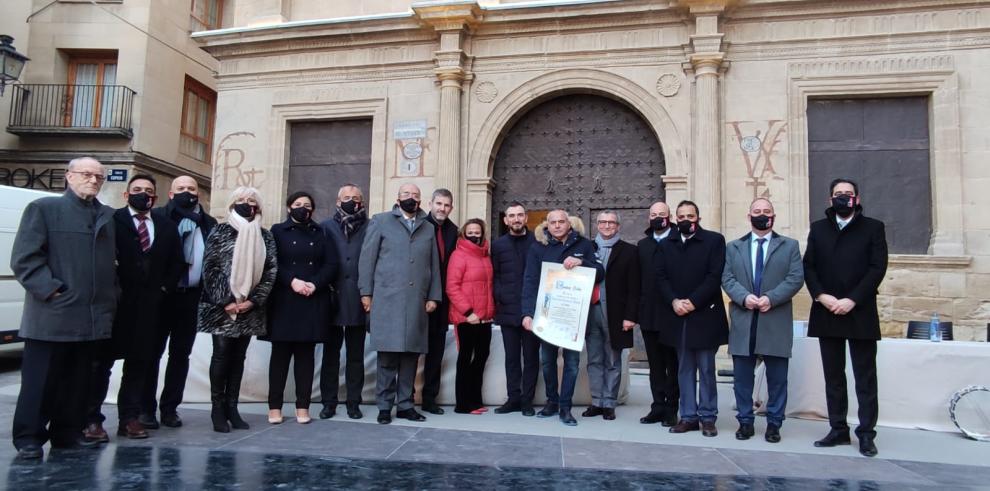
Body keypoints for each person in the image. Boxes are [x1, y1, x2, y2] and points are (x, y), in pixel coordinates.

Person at [10, 157, 117, 460]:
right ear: (69, 176)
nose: (94, 180)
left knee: (77, 384)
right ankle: (29, 438)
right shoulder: (44, 209)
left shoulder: (106, 217)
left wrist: (112, 296)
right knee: (40, 383)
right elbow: (25, 259)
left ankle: (67, 434)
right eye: (87, 174)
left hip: (91, 318)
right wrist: (53, 290)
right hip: (52, 316)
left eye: (99, 176)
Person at [85, 174, 183, 442]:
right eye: (137, 190)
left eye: (149, 191)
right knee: (101, 365)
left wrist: (164, 289)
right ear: (126, 195)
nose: (144, 194)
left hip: (149, 308)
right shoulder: (111, 220)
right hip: (114, 306)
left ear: (156, 197)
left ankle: (130, 418)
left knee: (139, 365)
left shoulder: (165, 225)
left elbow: (177, 262)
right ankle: (92, 419)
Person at [804, 178, 888, 457]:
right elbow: (810, 267)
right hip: (827, 311)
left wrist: (852, 299)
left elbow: (877, 267)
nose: (843, 197)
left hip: (859, 311)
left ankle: (866, 433)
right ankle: (838, 428)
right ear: (830, 199)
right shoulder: (818, 229)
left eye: (847, 194)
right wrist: (821, 296)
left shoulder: (873, 228)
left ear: (856, 198)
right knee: (834, 377)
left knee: (865, 377)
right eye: (838, 194)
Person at [721, 198, 804, 443]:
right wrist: (743, 297)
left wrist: (771, 298)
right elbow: (727, 277)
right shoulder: (734, 247)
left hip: (774, 318)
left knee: (777, 378)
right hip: (744, 318)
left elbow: (795, 278)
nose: (761, 215)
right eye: (757, 211)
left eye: (766, 211)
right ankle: (745, 421)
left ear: (773, 216)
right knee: (742, 377)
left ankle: (774, 423)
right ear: (749, 216)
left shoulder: (789, 246)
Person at [359, 183, 442, 425]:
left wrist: (433, 296)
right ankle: (385, 406)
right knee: (387, 358)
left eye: (416, 195)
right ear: (398, 198)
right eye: (406, 194)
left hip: (417, 302)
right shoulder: (380, 221)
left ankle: (406, 405)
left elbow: (433, 265)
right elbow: (367, 259)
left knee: (410, 357)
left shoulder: (428, 227)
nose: (411, 198)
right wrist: (366, 292)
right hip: (387, 300)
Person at [198, 187, 277, 433]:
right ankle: (217, 408)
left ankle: (233, 406)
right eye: (241, 200)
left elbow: (270, 270)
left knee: (239, 357)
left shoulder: (265, 236)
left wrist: (253, 300)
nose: (247, 204)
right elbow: (210, 267)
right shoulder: (220, 231)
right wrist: (226, 300)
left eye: (251, 200)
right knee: (221, 355)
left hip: (249, 307)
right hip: (222, 307)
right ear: (233, 204)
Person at [141, 176, 217, 429]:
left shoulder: (208, 222)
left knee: (180, 355)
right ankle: (146, 409)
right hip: (163, 297)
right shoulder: (159, 217)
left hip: (192, 296)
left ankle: (170, 408)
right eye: (181, 189)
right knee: (152, 353)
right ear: (171, 194)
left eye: (192, 189)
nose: (188, 193)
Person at [521, 210, 604, 426]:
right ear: (547, 225)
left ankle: (565, 407)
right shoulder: (538, 247)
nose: (557, 225)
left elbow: (600, 272)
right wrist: (527, 313)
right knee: (547, 362)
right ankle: (552, 402)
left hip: (573, 316)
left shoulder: (584, 245)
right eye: (553, 222)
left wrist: (582, 263)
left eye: (561, 221)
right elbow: (530, 281)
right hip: (547, 315)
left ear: (569, 223)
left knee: (572, 364)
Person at [656, 200, 727, 437]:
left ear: (698, 217)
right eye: (682, 216)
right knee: (684, 369)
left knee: (706, 368)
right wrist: (674, 301)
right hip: (677, 315)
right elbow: (661, 277)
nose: (686, 220)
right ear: (675, 219)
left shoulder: (714, 241)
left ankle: (708, 417)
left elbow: (714, 275)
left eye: (690, 215)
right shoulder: (667, 244)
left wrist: (693, 302)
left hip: (704, 313)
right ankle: (688, 417)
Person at [265, 191, 337, 425]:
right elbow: (271, 262)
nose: (302, 208)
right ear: (288, 208)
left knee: (306, 357)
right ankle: (274, 407)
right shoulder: (277, 231)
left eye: (307, 205)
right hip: (285, 299)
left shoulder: (320, 232)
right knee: (280, 357)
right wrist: (292, 281)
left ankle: (302, 406)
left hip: (312, 299)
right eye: (297, 204)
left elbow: (330, 263)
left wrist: (315, 283)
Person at [319, 184, 369, 420]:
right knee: (331, 355)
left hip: (359, 299)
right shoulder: (326, 227)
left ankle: (353, 402)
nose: (352, 202)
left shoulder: (370, 227)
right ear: (338, 202)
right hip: (332, 299)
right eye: (347, 198)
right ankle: (329, 401)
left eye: (356, 198)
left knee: (356, 356)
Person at [583, 210, 639, 421]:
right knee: (594, 360)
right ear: (597, 225)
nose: (606, 226)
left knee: (613, 360)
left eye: (611, 222)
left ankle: (609, 403)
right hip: (590, 312)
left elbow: (635, 288)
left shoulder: (629, 252)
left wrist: (630, 316)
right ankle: (596, 401)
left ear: (618, 226)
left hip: (615, 314)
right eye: (602, 222)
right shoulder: (586, 248)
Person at [491, 202, 539, 416]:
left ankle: (527, 401)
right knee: (511, 358)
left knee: (530, 358)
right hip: (507, 310)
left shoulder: (538, 243)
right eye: (512, 216)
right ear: (506, 220)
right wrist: (499, 296)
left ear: (526, 218)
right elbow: (495, 275)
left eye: (520, 215)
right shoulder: (498, 245)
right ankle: (513, 399)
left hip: (532, 311)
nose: (516, 219)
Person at [446, 219, 495, 414]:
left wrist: (490, 312)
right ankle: (463, 404)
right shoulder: (458, 256)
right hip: (467, 317)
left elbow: (488, 287)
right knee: (466, 359)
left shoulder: (485, 256)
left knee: (482, 357)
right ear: (463, 234)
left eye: (477, 232)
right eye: (470, 232)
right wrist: (468, 312)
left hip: (485, 317)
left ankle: (475, 400)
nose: (474, 235)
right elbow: (452, 286)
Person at [636, 201, 679, 426]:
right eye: (653, 214)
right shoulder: (643, 245)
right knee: (655, 364)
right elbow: (637, 282)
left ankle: (672, 407)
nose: (657, 218)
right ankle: (658, 405)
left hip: (673, 314)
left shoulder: (679, 241)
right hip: (649, 314)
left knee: (673, 363)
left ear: (669, 217)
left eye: (661, 214)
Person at [421, 188, 458, 415]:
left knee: (435, 352)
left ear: (451, 208)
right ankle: (403, 397)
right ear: (430, 203)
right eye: (438, 204)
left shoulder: (454, 231)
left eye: (446, 205)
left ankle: (429, 399)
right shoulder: (419, 226)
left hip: (442, 301)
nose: (442, 208)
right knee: (410, 352)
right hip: (418, 299)